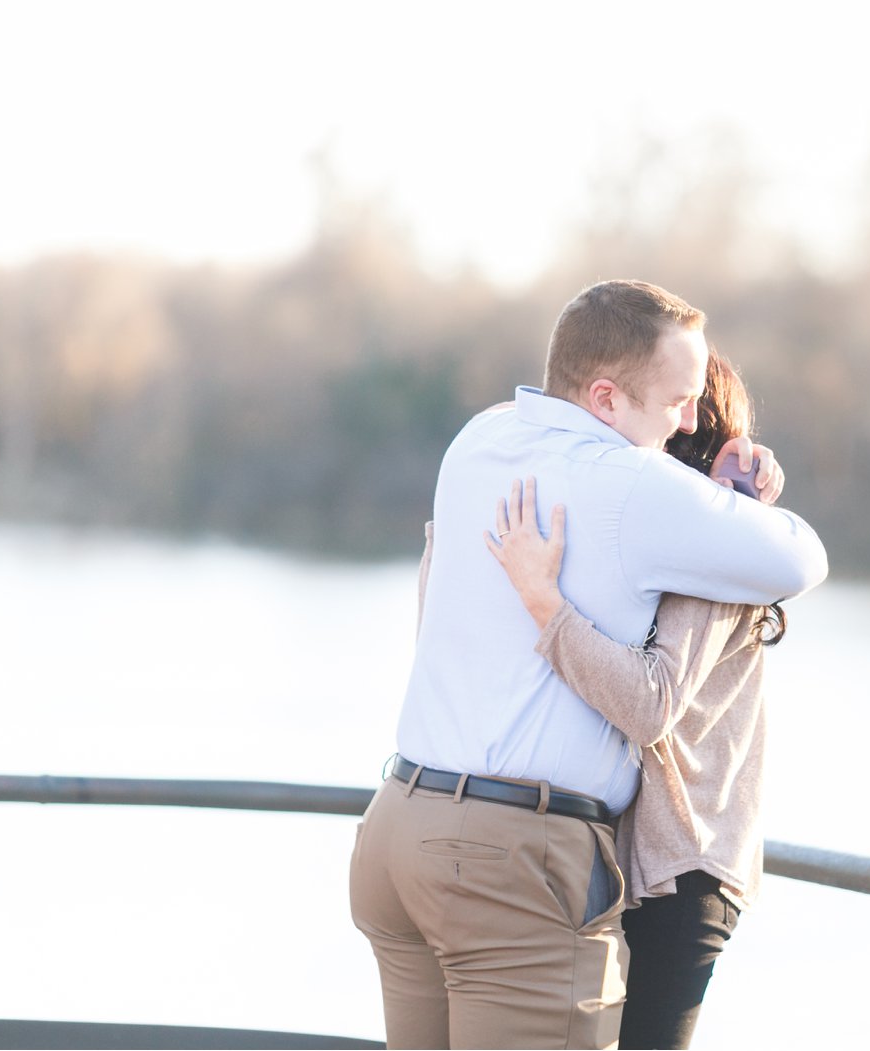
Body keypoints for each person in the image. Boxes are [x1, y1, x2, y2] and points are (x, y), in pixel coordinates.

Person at [348, 279, 827, 1050]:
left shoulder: (477, 443)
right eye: (677, 401)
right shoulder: (635, 483)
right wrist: (751, 492)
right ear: (606, 397)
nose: (687, 422)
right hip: (506, 858)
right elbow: (802, 557)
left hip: (399, 827)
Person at [487, 349, 783, 1049]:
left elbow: (651, 702)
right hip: (604, 856)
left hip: (681, 867)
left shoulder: (719, 547)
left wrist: (545, 606)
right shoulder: (625, 536)